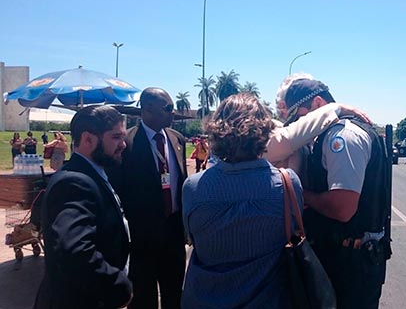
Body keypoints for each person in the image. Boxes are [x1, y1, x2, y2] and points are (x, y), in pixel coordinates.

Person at [182, 93, 303, 308]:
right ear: (265, 132)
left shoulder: (193, 187)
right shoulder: (287, 183)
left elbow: (192, 238)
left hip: (205, 300)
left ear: (216, 133)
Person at [283, 78, 390, 309]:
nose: (302, 124)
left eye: (301, 116)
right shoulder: (331, 133)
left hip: (350, 262)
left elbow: (343, 208)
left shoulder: (342, 136)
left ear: (318, 103)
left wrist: (301, 193)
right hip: (344, 254)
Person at [33, 105, 132, 309]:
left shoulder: (93, 174)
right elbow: (74, 251)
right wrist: (118, 286)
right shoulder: (74, 183)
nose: (123, 144)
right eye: (116, 137)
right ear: (88, 139)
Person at [108, 87, 187, 309]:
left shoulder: (177, 139)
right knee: (143, 299)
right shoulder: (127, 143)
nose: (174, 113)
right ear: (148, 109)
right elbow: (117, 192)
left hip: (173, 234)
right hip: (141, 239)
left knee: (175, 296)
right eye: (168, 108)